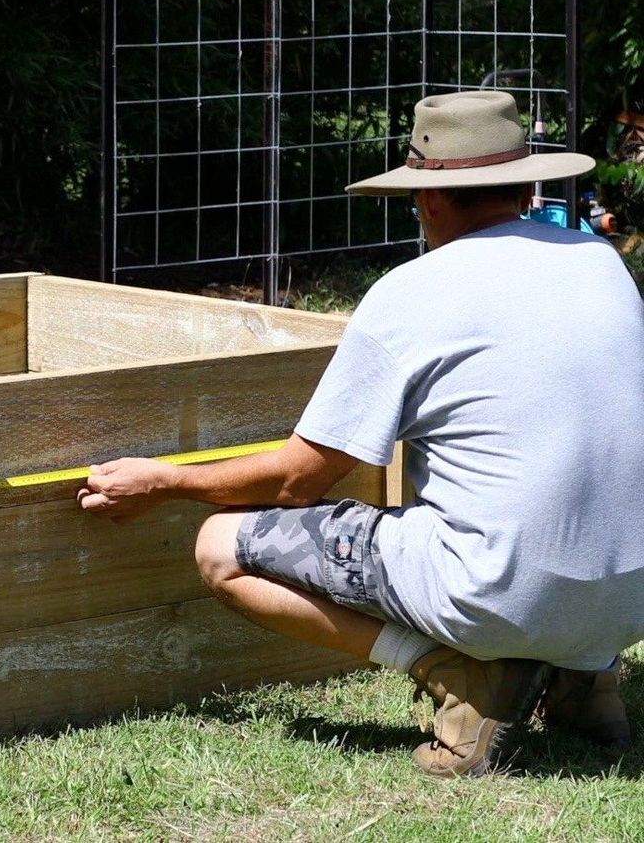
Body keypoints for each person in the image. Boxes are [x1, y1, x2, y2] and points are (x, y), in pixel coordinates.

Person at [77, 90, 644, 778]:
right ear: (527, 188)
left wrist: (166, 482)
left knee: (221, 547)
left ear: (428, 198)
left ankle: (451, 671)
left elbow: (299, 480)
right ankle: (588, 681)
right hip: (632, 596)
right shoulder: (600, 263)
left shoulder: (411, 293)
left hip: (502, 589)